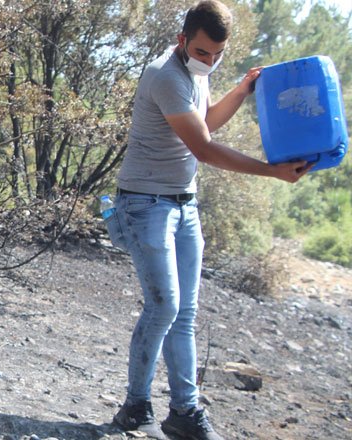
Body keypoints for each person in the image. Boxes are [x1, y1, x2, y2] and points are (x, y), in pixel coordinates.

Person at [110, 2, 311, 440]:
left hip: (184, 204)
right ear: (183, 40)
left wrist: (241, 90)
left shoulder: (197, 71)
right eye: (203, 52)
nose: (210, 61)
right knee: (164, 306)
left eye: (218, 54)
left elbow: (206, 122)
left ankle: (184, 413)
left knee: (185, 314)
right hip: (145, 204)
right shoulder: (164, 74)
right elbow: (203, 148)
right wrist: (271, 171)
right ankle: (135, 405)